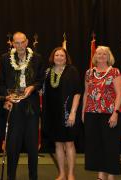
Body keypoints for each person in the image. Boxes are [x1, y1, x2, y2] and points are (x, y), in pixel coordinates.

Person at [0, 32, 45, 180]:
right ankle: (11, 177)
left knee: (32, 146)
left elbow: (40, 80)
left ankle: (34, 177)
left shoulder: (37, 58)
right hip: (14, 107)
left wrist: (32, 87)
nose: (19, 45)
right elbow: (1, 82)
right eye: (16, 43)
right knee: (13, 145)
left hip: (31, 106)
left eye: (22, 42)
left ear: (27, 42)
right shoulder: (5, 59)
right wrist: (6, 99)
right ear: (12, 43)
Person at [82, 46, 121, 180]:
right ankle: (101, 176)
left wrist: (115, 113)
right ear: (95, 56)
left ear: (108, 56)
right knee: (97, 146)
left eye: (104, 54)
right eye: (99, 53)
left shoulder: (115, 72)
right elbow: (86, 93)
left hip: (110, 114)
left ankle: (110, 176)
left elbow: (119, 94)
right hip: (91, 114)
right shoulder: (89, 73)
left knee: (110, 147)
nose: (101, 56)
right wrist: (83, 112)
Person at [43, 47, 81, 180]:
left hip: (67, 113)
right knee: (58, 144)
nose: (59, 57)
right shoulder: (47, 72)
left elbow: (77, 92)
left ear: (66, 58)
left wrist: (73, 112)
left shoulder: (72, 71)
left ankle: (70, 173)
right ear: (53, 57)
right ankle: (62, 174)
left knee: (69, 143)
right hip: (52, 114)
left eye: (62, 55)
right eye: (57, 55)